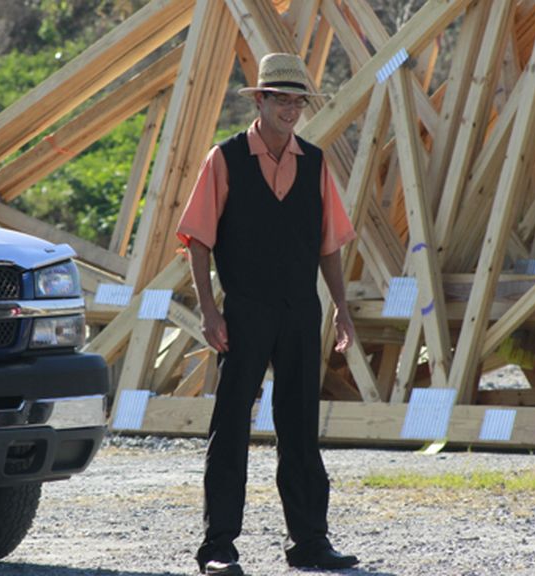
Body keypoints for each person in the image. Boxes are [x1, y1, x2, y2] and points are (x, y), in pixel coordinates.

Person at [176, 53, 359, 576]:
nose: (292, 108)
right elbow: (197, 242)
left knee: (300, 427)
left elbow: (330, 246)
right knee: (230, 425)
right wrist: (210, 311)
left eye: (298, 100)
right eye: (282, 98)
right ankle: (218, 547)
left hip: (302, 310)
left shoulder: (316, 162)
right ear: (259, 100)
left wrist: (342, 310)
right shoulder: (225, 158)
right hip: (246, 311)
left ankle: (309, 543)